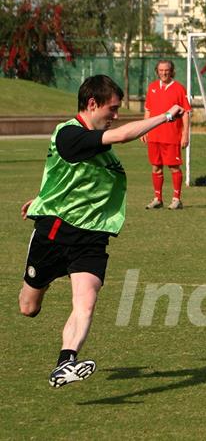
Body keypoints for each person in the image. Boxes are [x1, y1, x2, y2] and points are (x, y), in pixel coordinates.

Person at [19, 75, 185, 387]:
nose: (116, 115)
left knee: (86, 302)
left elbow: (78, 180)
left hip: (92, 236)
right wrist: (163, 117)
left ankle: (65, 362)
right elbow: (122, 136)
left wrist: (42, 197)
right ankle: (47, 277)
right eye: (112, 108)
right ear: (92, 104)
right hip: (56, 231)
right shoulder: (68, 133)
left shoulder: (99, 144)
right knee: (28, 308)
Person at [142, 60, 191, 210]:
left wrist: (185, 134)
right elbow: (148, 111)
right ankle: (158, 198)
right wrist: (144, 129)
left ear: (172, 71)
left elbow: (186, 113)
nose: (164, 73)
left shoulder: (179, 89)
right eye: (161, 70)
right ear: (157, 71)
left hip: (171, 136)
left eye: (167, 70)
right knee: (156, 167)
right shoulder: (152, 88)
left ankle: (176, 199)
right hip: (154, 135)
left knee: (174, 167)